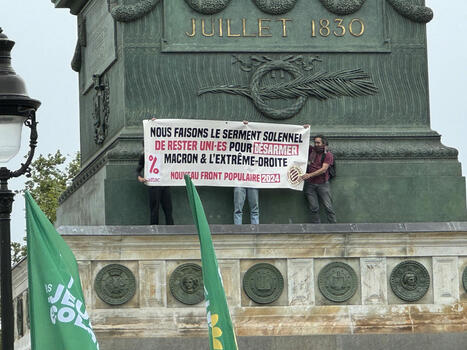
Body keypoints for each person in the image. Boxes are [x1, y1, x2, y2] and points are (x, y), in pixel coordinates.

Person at [301, 134, 336, 223]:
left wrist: (309, 175)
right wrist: (304, 130)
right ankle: (317, 228)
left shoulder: (328, 155)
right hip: (310, 184)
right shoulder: (311, 150)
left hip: (323, 184)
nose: (316, 144)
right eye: (315, 142)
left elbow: (324, 169)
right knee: (313, 207)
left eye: (318, 143)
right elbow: (302, 143)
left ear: (324, 143)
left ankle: (334, 226)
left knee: (328, 206)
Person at [233, 120, 259, 225]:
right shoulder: (236, 147)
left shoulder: (256, 147)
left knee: (255, 209)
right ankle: (238, 231)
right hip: (239, 181)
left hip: (252, 180)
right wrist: (242, 127)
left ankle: (255, 231)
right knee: (238, 209)